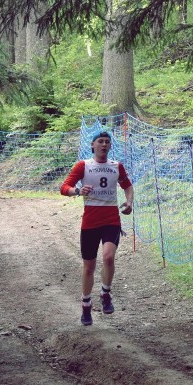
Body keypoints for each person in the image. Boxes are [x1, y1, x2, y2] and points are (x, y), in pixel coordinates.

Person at [60, 132, 134, 326]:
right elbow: (64, 187)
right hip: (90, 221)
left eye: (107, 142)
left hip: (111, 219)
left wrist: (129, 202)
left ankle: (105, 293)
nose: (104, 145)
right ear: (92, 145)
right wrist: (77, 191)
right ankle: (85, 305)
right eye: (100, 142)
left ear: (110, 147)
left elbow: (128, 186)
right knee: (89, 266)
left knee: (108, 257)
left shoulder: (116, 166)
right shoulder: (83, 166)